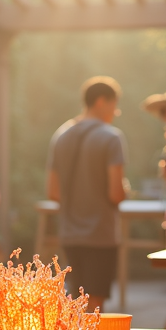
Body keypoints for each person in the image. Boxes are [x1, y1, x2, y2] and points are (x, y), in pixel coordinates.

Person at [46, 76, 129, 313]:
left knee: (75, 301)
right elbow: (116, 194)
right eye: (115, 105)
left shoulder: (61, 135)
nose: (116, 111)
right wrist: (125, 190)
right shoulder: (111, 137)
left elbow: (53, 191)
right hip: (101, 234)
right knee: (95, 306)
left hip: (70, 234)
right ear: (102, 101)